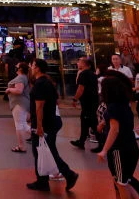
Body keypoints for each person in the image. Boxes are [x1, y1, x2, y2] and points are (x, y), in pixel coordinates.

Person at [27, 58, 79, 192]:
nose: (31, 68)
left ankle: (67, 174)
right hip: (51, 121)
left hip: (45, 123)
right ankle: (43, 180)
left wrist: (38, 126)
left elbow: (39, 107)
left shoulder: (40, 84)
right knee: (44, 151)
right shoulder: (47, 82)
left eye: (32, 65)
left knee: (44, 151)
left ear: (37, 68)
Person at [97, 75, 139, 198]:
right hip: (131, 146)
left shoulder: (113, 107)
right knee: (125, 180)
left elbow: (114, 130)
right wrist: (104, 122)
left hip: (119, 149)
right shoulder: (124, 104)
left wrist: (104, 150)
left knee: (121, 183)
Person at [71, 56, 99, 149]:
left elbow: (81, 88)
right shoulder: (92, 74)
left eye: (79, 62)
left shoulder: (84, 74)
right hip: (92, 101)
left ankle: (102, 142)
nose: (77, 64)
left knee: (92, 122)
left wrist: (75, 99)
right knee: (85, 121)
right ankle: (81, 141)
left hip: (88, 102)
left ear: (84, 64)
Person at [5, 62, 30, 152]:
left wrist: (9, 89)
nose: (15, 66)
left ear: (20, 69)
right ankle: (40, 135)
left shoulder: (20, 78)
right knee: (23, 124)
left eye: (17, 66)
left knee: (19, 125)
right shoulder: (24, 77)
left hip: (19, 103)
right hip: (20, 103)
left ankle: (21, 146)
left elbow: (19, 90)